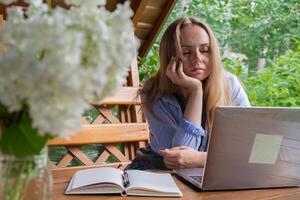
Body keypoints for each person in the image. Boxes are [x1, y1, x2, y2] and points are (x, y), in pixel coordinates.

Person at [136, 16, 250, 170]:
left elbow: (249, 149)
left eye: (205, 50)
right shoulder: (154, 91)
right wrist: (196, 90)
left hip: (210, 173)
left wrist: (200, 159)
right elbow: (180, 160)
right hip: (160, 173)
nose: (198, 59)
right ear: (171, 57)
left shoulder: (229, 84)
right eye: (186, 52)